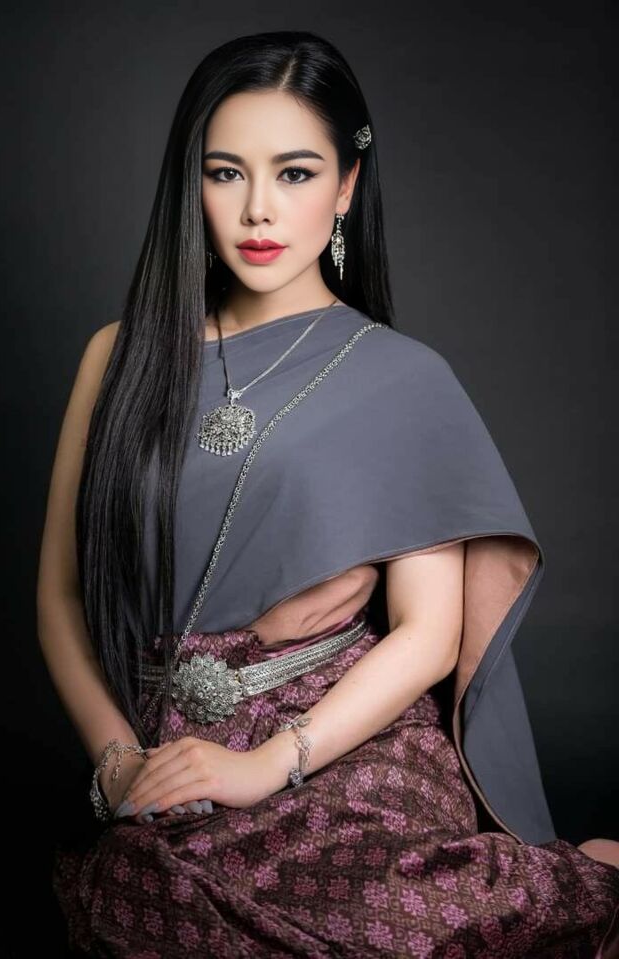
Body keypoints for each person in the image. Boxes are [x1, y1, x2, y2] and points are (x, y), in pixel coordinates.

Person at [39, 29, 619, 958]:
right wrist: (116, 765)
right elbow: (63, 598)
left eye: (296, 173)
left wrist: (270, 762)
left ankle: (586, 879)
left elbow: (429, 633)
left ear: (346, 186)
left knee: (378, 923)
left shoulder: (404, 378)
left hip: (343, 741)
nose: (257, 209)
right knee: (154, 906)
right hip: (167, 748)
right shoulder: (118, 358)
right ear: (191, 183)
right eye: (226, 173)